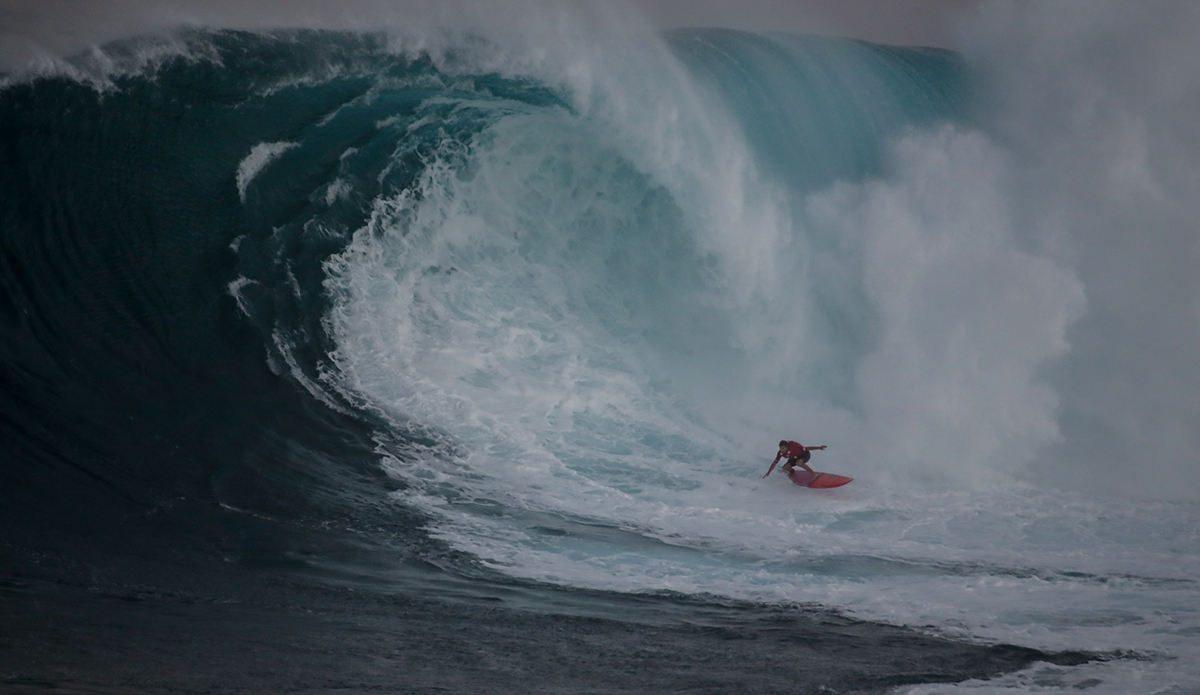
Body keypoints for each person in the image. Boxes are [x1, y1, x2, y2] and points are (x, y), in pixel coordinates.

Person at [762, 440, 827, 478]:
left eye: (783, 448)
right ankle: (792, 472)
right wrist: (768, 472)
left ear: (787, 447)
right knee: (785, 467)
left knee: (798, 463)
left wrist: (819, 447)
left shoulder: (794, 447)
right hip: (794, 457)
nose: (781, 450)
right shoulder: (780, 453)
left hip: (805, 455)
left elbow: (807, 448)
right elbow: (774, 463)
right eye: (780, 448)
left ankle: (813, 473)